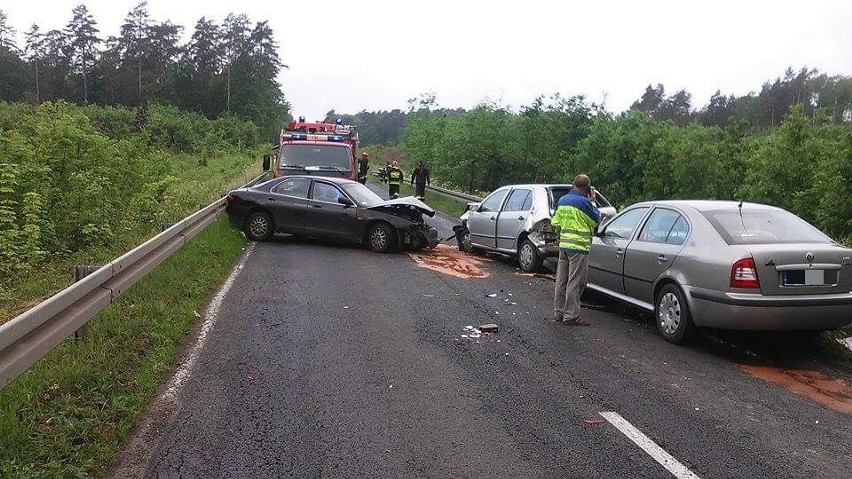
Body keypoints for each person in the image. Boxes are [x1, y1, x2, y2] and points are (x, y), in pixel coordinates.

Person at [551, 174, 600, 326]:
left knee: (561, 280)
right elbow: (595, 221)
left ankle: (558, 313)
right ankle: (571, 316)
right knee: (576, 282)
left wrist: (561, 238)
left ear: (573, 184)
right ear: (587, 188)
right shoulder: (584, 203)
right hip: (578, 248)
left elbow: (555, 223)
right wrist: (593, 202)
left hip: (564, 246)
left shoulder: (562, 200)